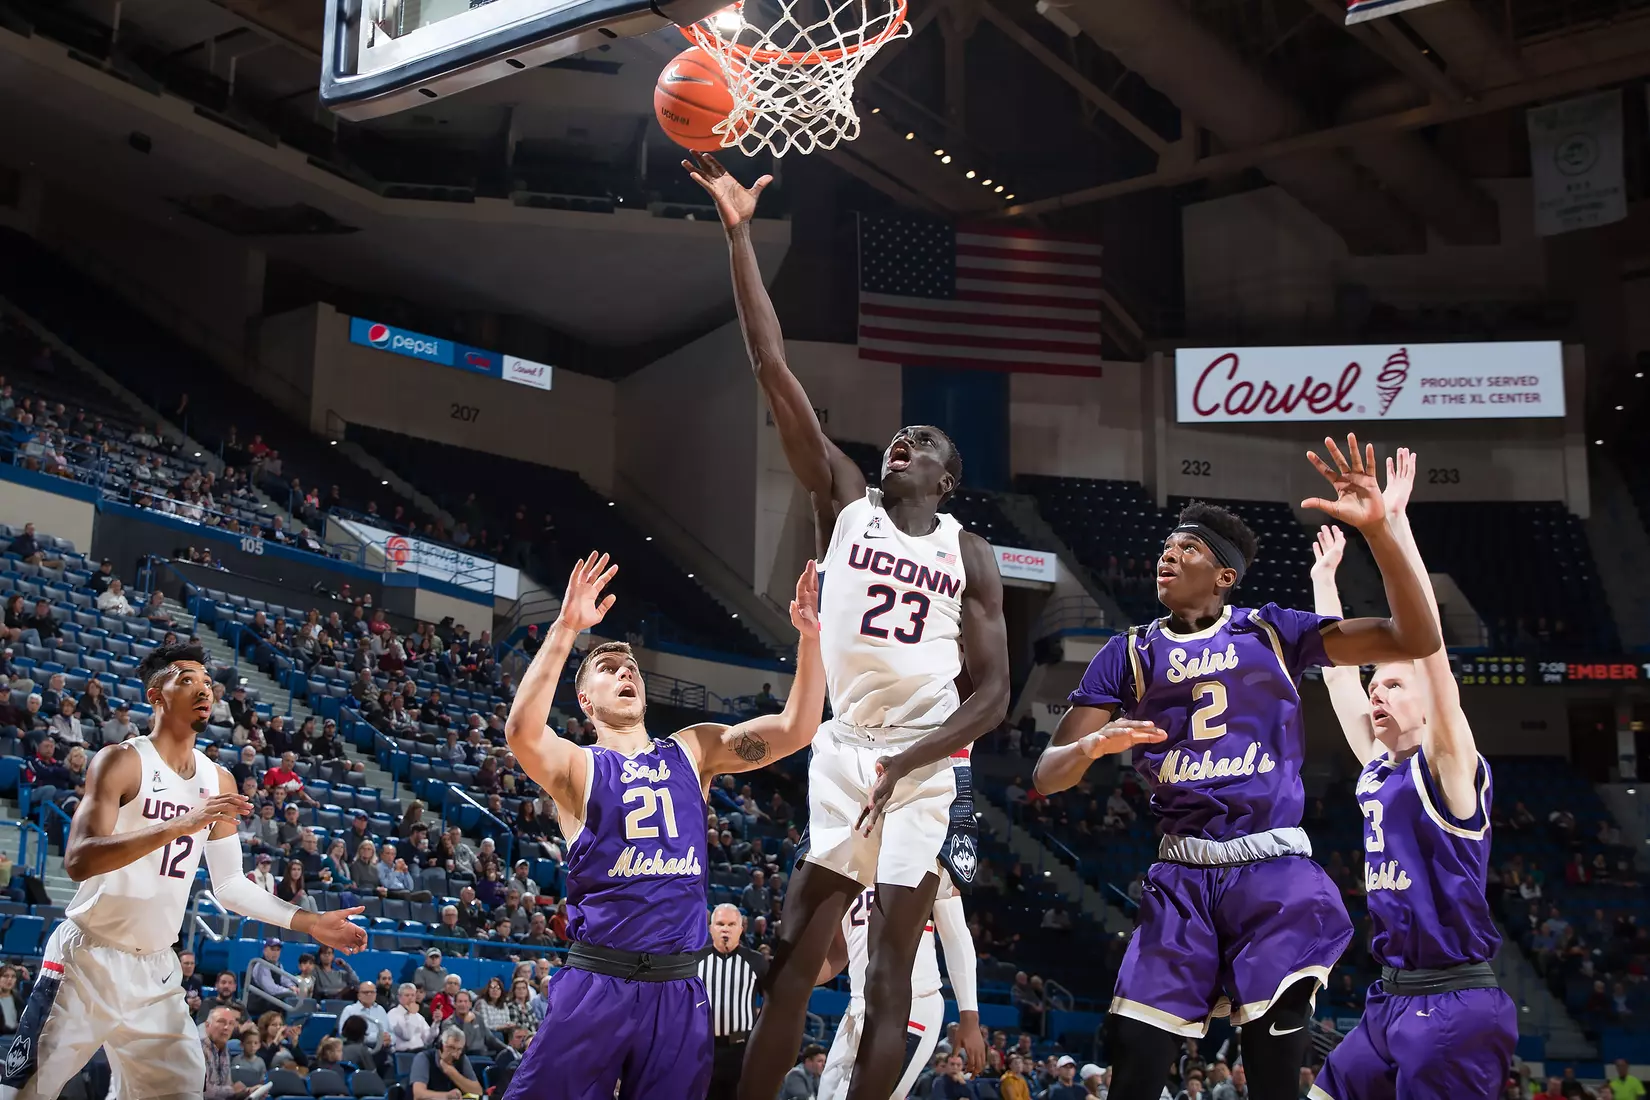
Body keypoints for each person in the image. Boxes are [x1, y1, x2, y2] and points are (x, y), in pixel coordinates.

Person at [689, 151, 1008, 1100]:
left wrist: (911, 765)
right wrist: (740, 237)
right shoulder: (848, 503)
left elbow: (991, 696)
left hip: (916, 761)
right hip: (844, 752)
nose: (901, 440)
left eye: (924, 444)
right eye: (898, 436)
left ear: (946, 480)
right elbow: (771, 366)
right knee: (790, 954)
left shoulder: (971, 552)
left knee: (885, 979)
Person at [1033, 436, 1442, 1100]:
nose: (1169, 554)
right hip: (1181, 876)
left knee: (1273, 1071)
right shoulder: (1127, 652)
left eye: (1188, 548)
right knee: (1134, 1061)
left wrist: (1380, 532)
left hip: (1271, 874)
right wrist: (1088, 749)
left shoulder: (1274, 632)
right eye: (1167, 545)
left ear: (1225, 576)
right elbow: (1045, 776)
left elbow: (1416, 636)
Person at [497, 551, 827, 1100]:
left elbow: (795, 729)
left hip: (678, 988)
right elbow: (521, 732)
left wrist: (810, 640)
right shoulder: (579, 766)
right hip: (599, 982)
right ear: (585, 700)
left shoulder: (692, 750)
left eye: (630, 667)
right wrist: (565, 628)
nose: (625, 671)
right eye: (607, 669)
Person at [5, 643, 365, 1100]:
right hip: (88, 958)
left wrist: (309, 922)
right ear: (156, 695)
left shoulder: (219, 781)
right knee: (23, 1092)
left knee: (179, 1092)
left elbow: (231, 885)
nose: (204, 689)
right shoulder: (122, 760)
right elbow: (79, 859)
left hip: (157, 968)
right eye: (188, 679)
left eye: (208, 683)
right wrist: (185, 822)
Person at [1306, 449, 1517, 1100]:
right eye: (1378, 685)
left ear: (1426, 702)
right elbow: (1339, 670)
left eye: (1393, 683)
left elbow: (1430, 648)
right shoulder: (1376, 768)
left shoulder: (1449, 767)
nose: (1378, 693)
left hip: (1454, 1006)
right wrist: (1324, 580)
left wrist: (1391, 529)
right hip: (1387, 999)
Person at [817, 880, 980, 1100]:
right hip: (858, 1007)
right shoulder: (848, 867)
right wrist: (792, 981)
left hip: (912, 1003)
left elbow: (956, 938)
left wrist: (969, 1017)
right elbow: (838, 953)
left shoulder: (930, 858)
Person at [699, 904, 768, 1099]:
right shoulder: (695, 960)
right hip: (702, 1048)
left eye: (731, 924)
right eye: (720, 924)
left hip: (740, 1049)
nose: (725, 929)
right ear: (711, 928)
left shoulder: (756, 961)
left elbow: (773, 1002)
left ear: (741, 928)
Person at [411, 1026, 484, 1100]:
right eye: (451, 1048)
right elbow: (418, 1094)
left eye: (459, 1049)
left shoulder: (462, 1059)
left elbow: (478, 1091)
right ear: (440, 1046)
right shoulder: (423, 1058)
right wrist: (447, 1096)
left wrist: (452, 1072)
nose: (454, 1054)